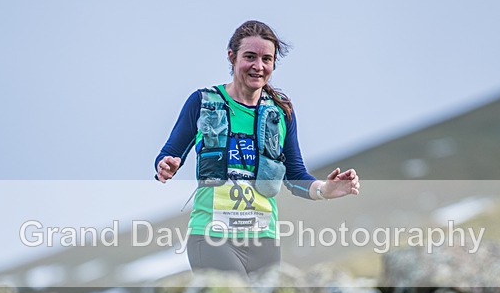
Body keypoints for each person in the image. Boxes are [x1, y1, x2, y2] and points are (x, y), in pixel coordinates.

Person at [154, 20, 360, 277]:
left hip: (264, 242)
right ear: (232, 57)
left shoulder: (280, 112)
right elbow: (169, 153)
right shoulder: (203, 102)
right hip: (211, 238)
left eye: (267, 59)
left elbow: (295, 176)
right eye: (250, 57)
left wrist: (325, 190)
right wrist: (166, 165)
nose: (258, 66)